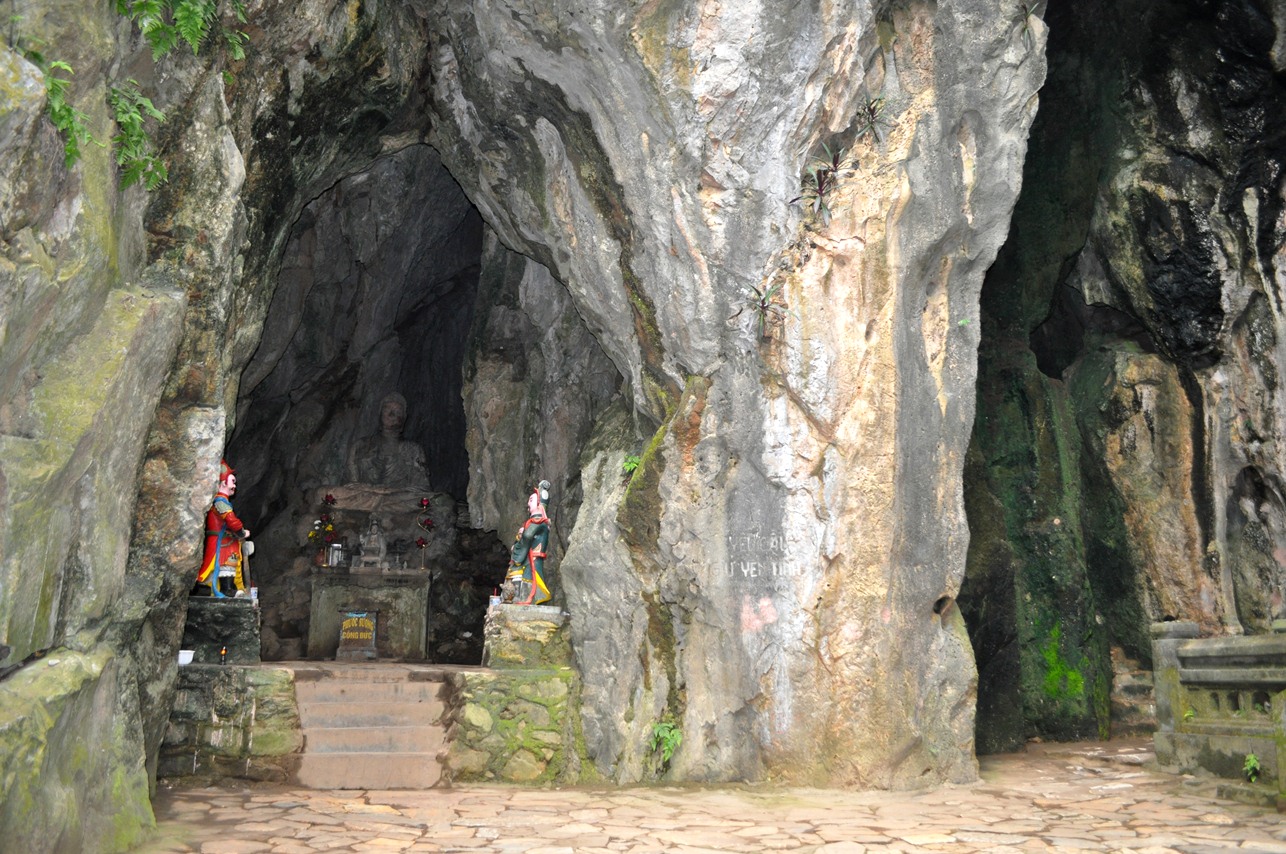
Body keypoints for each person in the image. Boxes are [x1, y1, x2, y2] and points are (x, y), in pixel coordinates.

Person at [346, 393, 431, 488]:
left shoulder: (413, 450)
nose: (392, 414)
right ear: (379, 413)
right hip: (366, 496)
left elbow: (421, 487)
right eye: (387, 410)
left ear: (404, 418)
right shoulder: (360, 446)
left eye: (398, 411)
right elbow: (352, 485)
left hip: (399, 498)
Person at [196, 460, 251, 597]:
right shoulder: (220, 501)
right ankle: (226, 590)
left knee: (229, 564)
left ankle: (228, 588)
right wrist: (241, 531)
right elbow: (230, 518)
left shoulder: (223, 501)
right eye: (233, 482)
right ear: (223, 483)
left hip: (227, 540)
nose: (235, 486)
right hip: (221, 541)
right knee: (224, 563)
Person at [504, 480, 552, 605]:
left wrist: (519, 542)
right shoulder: (534, 522)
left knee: (528, 580)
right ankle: (520, 599)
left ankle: (527, 600)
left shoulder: (539, 522)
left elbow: (528, 536)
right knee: (520, 578)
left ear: (538, 503)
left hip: (532, 560)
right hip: (528, 558)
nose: (528, 503)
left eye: (531, 500)